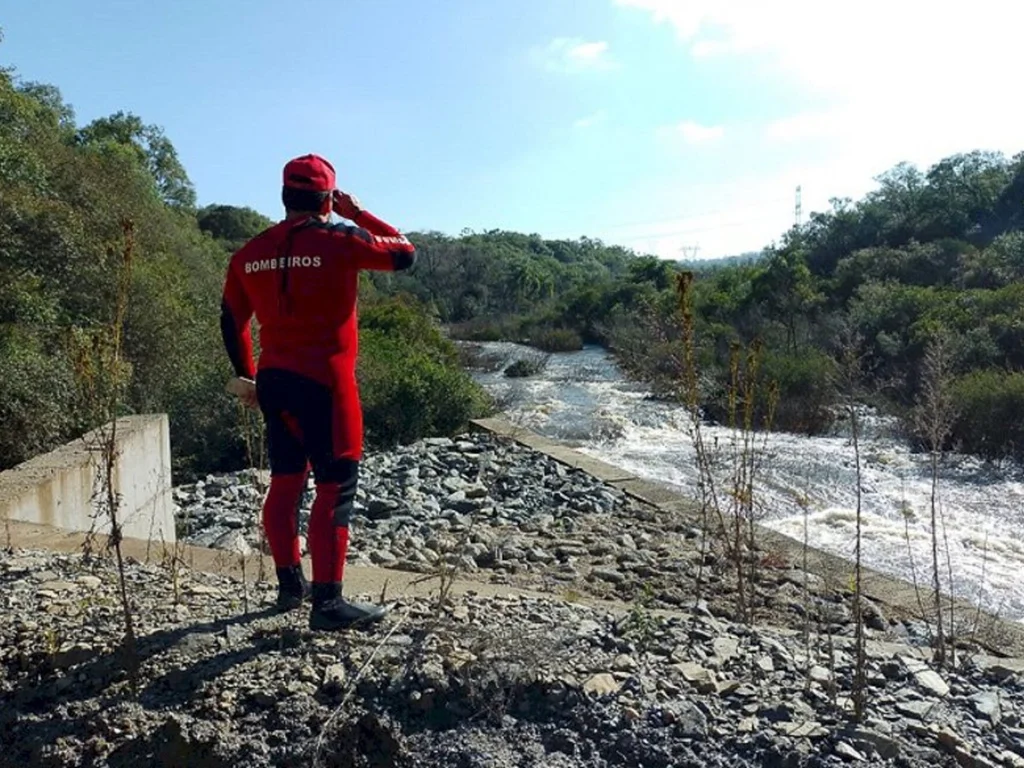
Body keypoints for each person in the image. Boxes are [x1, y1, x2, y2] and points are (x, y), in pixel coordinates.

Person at [219, 153, 416, 630]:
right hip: (326, 384)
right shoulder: (341, 238)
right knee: (335, 485)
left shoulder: (249, 253)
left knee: (286, 481)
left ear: (284, 196)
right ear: (328, 199)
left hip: (274, 381)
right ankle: (328, 604)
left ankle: (290, 586)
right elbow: (404, 253)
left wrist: (247, 376)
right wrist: (359, 213)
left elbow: (231, 319)